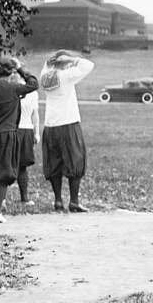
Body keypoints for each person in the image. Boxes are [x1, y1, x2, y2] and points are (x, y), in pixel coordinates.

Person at [0, 58, 39, 223]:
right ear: (10, 73)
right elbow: (34, 83)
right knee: (3, 172)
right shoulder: (13, 88)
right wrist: (20, 68)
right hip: (7, 134)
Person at [39, 50, 94, 212]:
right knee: (75, 161)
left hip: (51, 124)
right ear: (65, 63)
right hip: (68, 122)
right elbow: (88, 65)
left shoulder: (45, 75)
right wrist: (72, 59)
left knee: (54, 161)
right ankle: (74, 201)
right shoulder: (66, 76)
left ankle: (57, 200)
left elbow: (46, 66)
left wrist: (52, 61)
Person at [15, 67, 41, 207]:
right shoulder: (12, 89)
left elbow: (35, 114)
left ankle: (24, 197)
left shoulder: (32, 93)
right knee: (9, 164)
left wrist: (37, 132)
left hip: (26, 129)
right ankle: (1, 199)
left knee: (22, 166)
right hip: (13, 129)